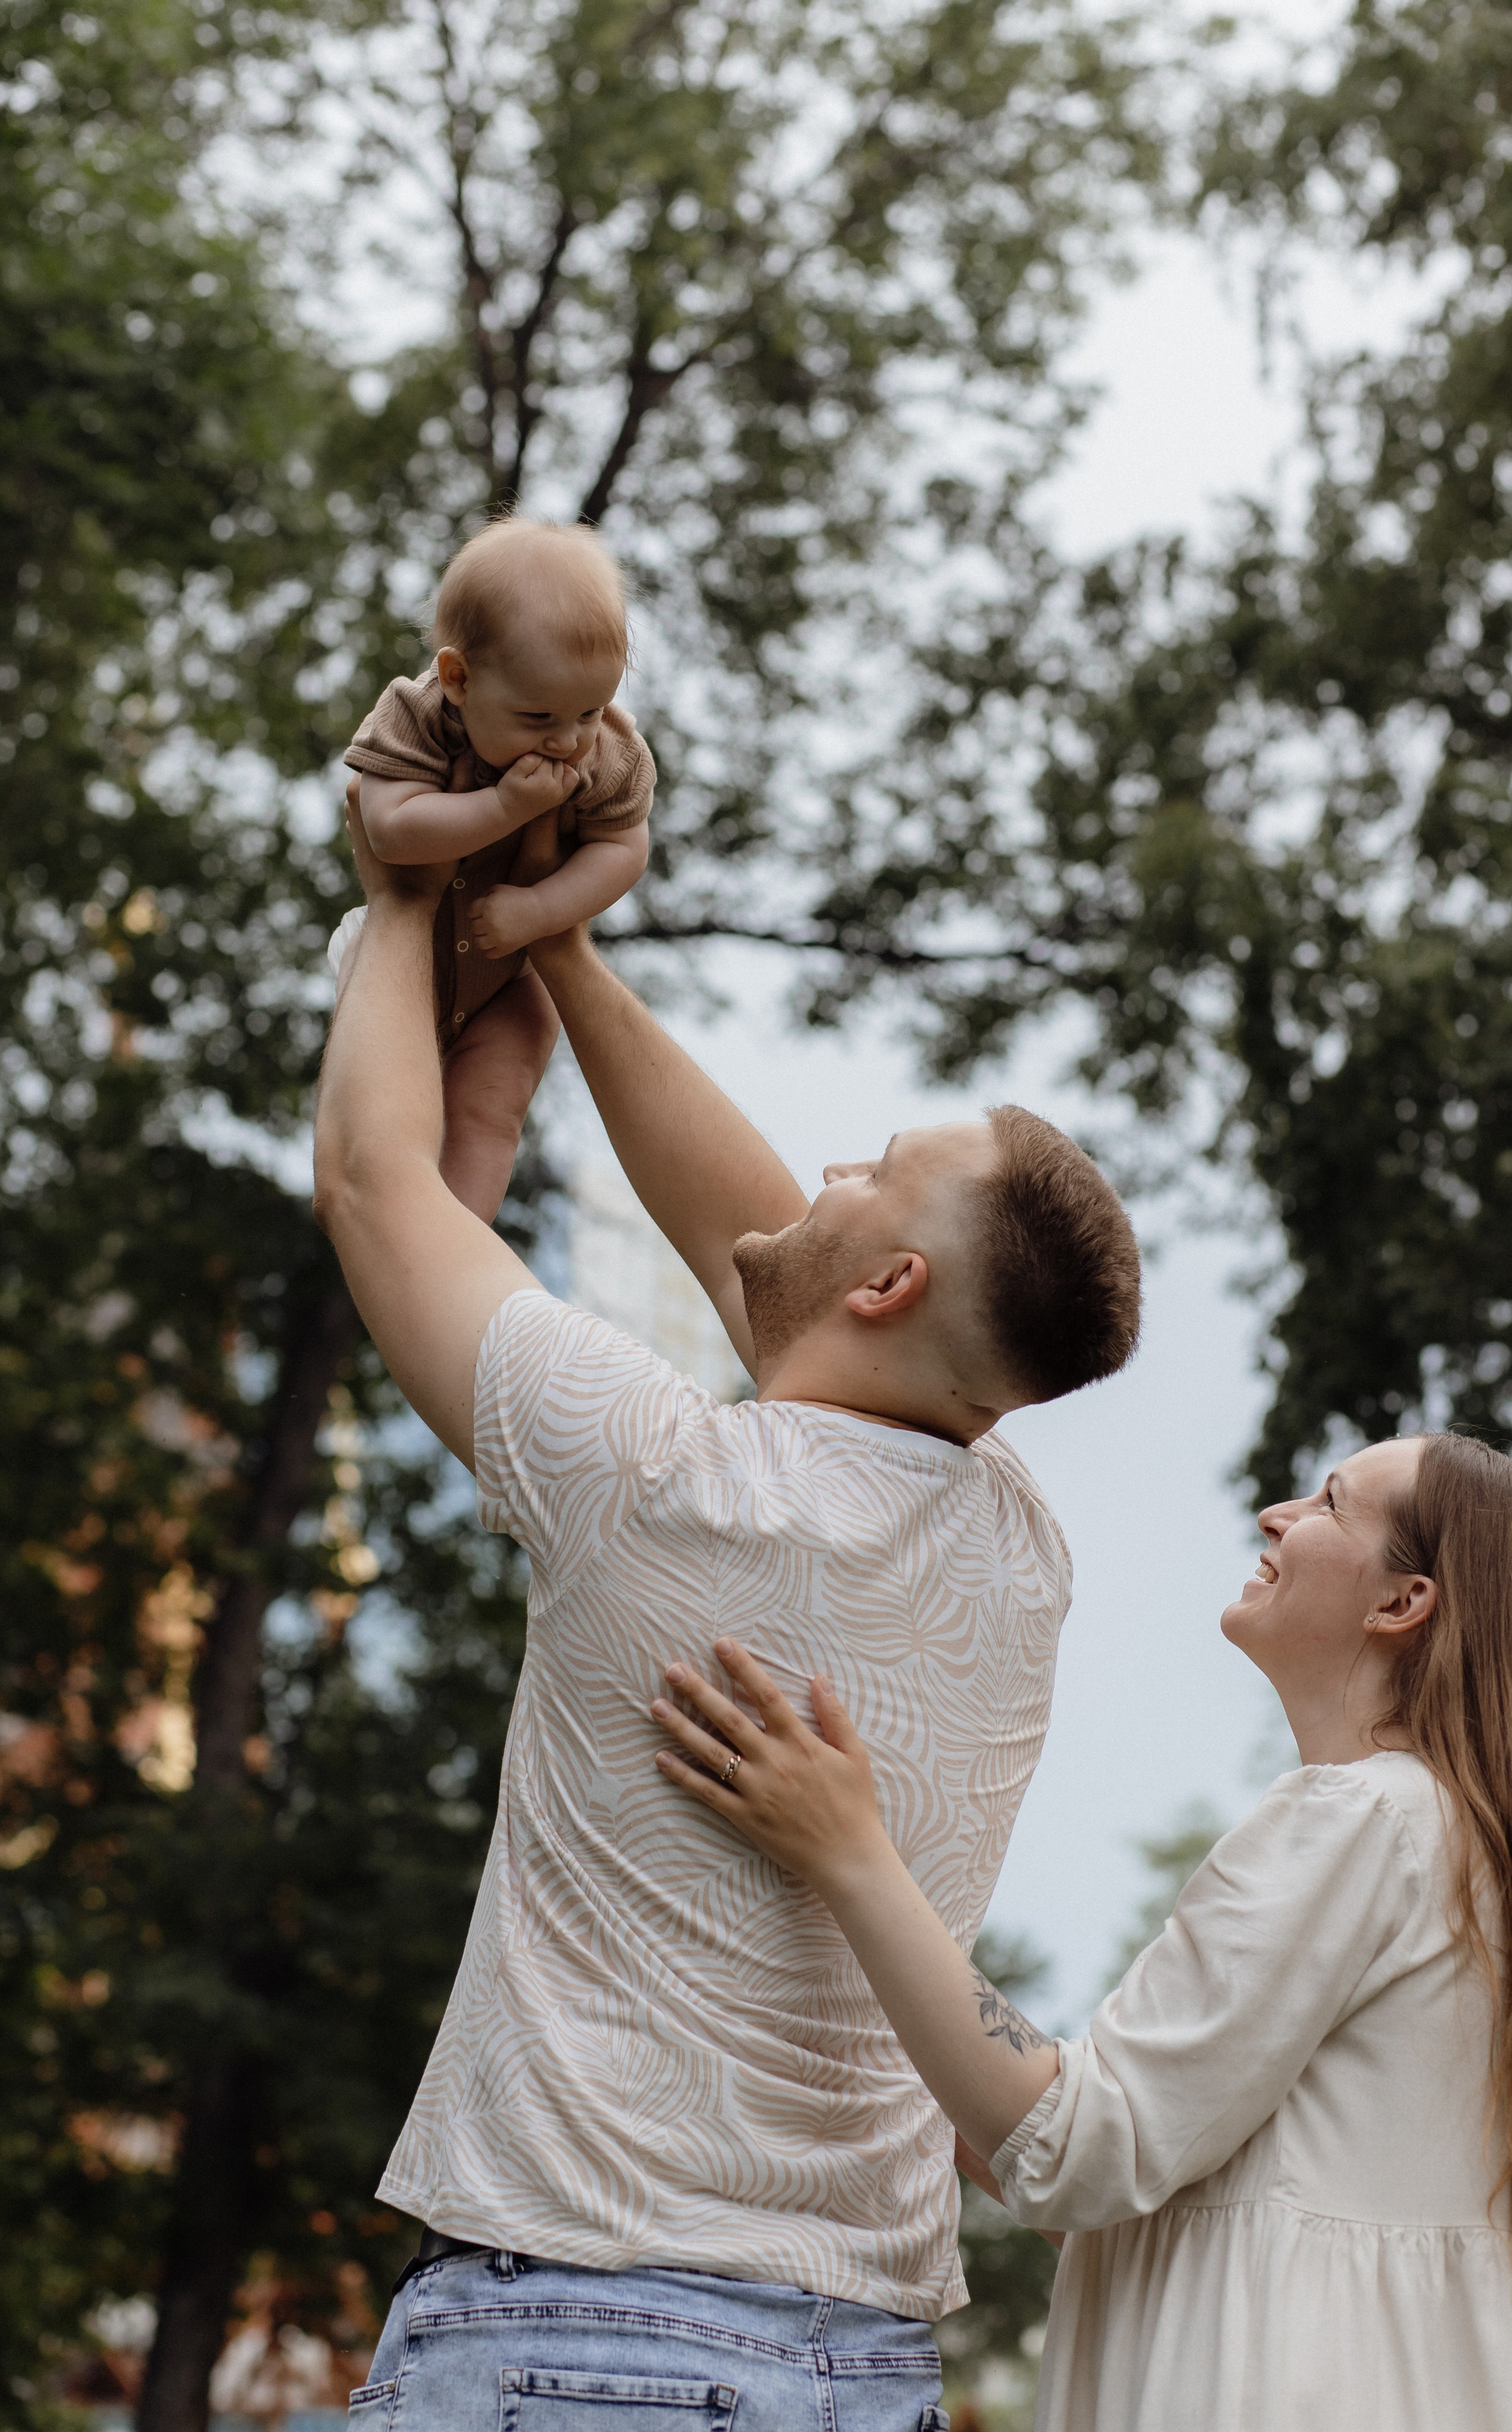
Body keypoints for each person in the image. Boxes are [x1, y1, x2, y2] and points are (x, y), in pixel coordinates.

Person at [311, 796, 1141, 2432]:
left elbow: (369, 1177)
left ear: (892, 1287)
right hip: (864, 2365)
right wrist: (563, 947)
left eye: (872, 1168)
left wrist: (412, 875)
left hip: (575, 2336)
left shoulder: (651, 1473)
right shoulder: (1019, 1556)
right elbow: (774, 1259)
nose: (818, 1169)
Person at [651, 1431, 1512, 2431]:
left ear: (1403, 1603)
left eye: (1329, 1502)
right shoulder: (1454, 1851)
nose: (1278, 1517)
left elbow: (1077, 2150)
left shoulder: (1361, 1820)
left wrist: (850, 1852)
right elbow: (1129, 2201)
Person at [339, 517, 654, 1219]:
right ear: (457, 677)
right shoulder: (415, 717)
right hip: (403, 967)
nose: (569, 740)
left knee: (493, 1109)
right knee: (386, 1119)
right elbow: (389, 829)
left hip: (512, 979)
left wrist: (541, 912)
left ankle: (460, 1237)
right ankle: (389, 1220)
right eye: (538, 716)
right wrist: (506, 807)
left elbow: (625, 849)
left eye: (590, 709)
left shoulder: (607, 751)